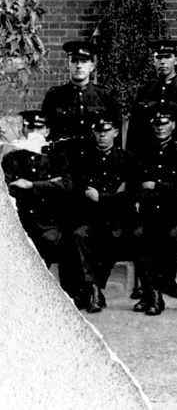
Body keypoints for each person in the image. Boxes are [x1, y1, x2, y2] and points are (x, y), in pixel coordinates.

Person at [130, 103, 177, 316]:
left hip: (174, 211)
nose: (160, 128)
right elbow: (134, 182)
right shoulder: (143, 150)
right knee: (138, 235)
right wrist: (138, 198)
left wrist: (157, 187)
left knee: (170, 237)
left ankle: (154, 292)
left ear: (173, 125)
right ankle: (152, 293)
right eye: (156, 124)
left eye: (164, 124)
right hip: (148, 210)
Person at [71, 111, 136, 313]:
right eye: (98, 131)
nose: (102, 135)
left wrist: (103, 197)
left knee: (113, 237)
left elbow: (130, 194)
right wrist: (112, 195)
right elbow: (80, 190)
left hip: (119, 220)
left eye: (106, 131)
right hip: (92, 218)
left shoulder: (127, 159)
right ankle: (95, 290)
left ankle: (93, 290)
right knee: (80, 234)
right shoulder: (84, 159)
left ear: (115, 132)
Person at [2, 111, 74, 295]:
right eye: (30, 127)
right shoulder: (12, 158)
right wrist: (50, 184)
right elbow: (7, 189)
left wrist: (30, 185)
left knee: (51, 242)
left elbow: (66, 186)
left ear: (47, 132)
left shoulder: (57, 157)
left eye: (39, 128)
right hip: (22, 219)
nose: (34, 132)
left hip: (49, 219)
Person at [128, 39, 177, 153]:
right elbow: (134, 129)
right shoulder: (144, 90)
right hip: (149, 154)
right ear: (153, 61)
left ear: (176, 60)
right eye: (159, 57)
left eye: (167, 57)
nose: (162, 62)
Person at [41, 40, 116, 147]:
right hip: (63, 159)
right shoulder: (54, 96)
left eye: (84, 61)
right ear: (68, 64)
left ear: (92, 67)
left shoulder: (104, 95)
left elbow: (113, 135)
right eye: (74, 61)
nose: (79, 66)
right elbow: (45, 133)